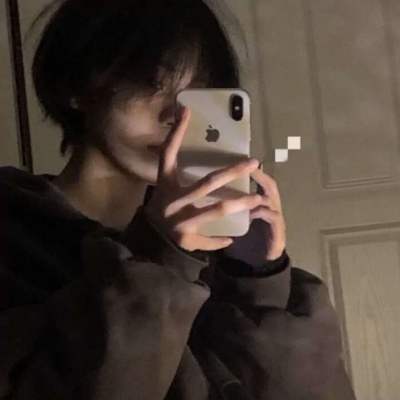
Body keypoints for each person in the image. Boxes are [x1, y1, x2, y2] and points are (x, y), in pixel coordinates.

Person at [0, 0, 357, 399]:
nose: (177, 114)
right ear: (78, 89)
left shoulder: (215, 245)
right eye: (150, 83)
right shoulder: (14, 234)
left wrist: (261, 282)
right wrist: (159, 259)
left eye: (197, 93)